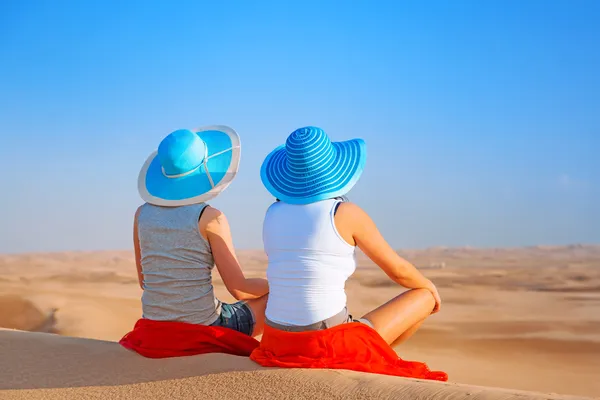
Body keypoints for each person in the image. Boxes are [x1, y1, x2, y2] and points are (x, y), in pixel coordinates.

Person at [259, 126, 440, 346]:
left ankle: (372, 358)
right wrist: (430, 287)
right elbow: (399, 271)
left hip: (275, 338)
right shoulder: (344, 212)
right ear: (334, 170)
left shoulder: (272, 213)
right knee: (424, 297)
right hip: (325, 340)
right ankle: (373, 360)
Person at [133, 126, 268, 338]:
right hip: (205, 326)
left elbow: (145, 282)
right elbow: (240, 289)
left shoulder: (141, 214)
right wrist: (278, 285)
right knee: (278, 298)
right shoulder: (210, 217)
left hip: (153, 326)